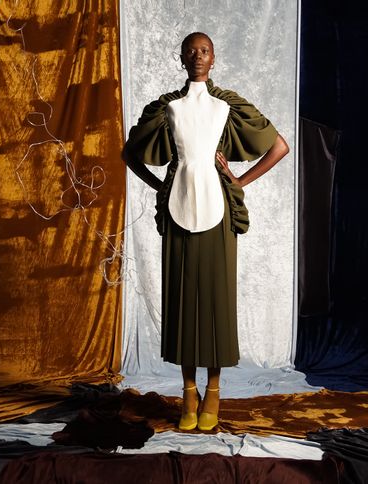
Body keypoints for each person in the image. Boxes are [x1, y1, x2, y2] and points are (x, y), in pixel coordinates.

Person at [123, 32, 289, 431]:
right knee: (182, 306)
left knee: (214, 304)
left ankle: (213, 392)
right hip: (178, 211)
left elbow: (279, 146)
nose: (198, 56)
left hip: (218, 217)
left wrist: (237, 180)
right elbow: (129, 154)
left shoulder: (226, 107)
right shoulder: (168, 109)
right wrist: (160, 185)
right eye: (191, 51)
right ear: (181, 58)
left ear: (214, 58)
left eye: (205, 50)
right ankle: (188, 394)